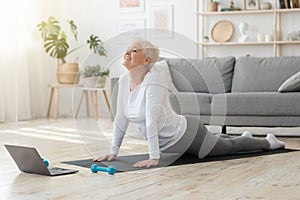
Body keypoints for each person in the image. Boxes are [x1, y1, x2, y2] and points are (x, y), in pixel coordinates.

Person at [93, 38, 285, 168]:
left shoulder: (155, 81)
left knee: (228, 149)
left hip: (186, 135)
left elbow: (151, 120)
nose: (126, 53)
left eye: (133, 51)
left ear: (146, 60)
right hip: (169, 144)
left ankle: (268, 142)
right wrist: (113, 151)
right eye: (127, 50)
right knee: (220, 142)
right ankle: (244, 136)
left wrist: (153, 157)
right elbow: (120, 118)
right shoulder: (123, 81)